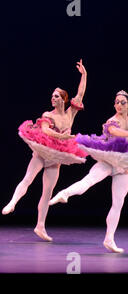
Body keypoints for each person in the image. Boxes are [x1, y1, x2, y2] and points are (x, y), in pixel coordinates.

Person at [49, 72, 128, 252]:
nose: (119, 105)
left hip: (123, 166)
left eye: (122, 102)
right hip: (108, 160)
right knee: (87, 182)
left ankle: (109, 239)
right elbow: (114, 131)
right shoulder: (112, 120)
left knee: (118, 203)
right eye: (116, 102)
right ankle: (64, 193)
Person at [2, 60, 88, 242]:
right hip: (42, 154)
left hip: (55, 159)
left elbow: (80, 93)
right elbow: (46, 131)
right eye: (52, 96)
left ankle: (40, 226)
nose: (53, 98)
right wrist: (63, 137)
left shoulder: (71, 113)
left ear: (64, 99)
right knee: (28, 179)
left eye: (56, 96)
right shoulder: (48, 115)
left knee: (47, 193)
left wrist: (84, 75)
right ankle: (12, 202)